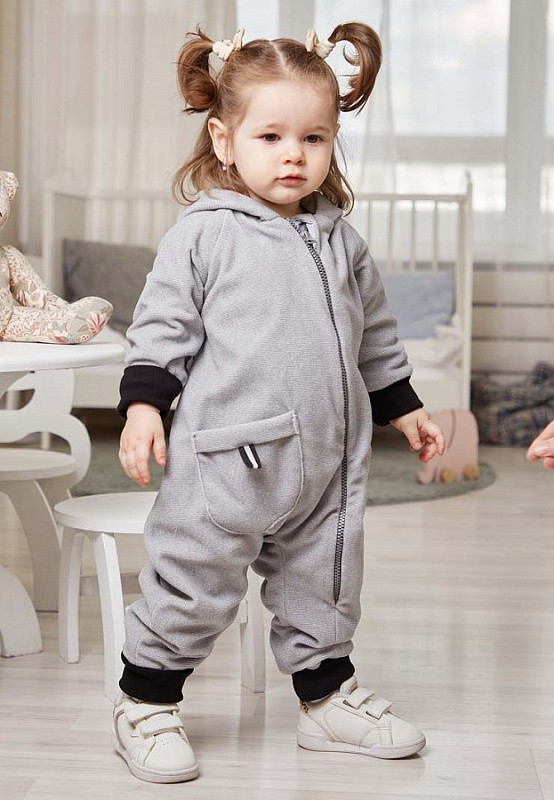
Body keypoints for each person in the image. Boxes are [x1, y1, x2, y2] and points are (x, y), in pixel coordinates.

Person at [113, 23, 445, 784]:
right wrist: (143, 408)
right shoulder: (203, 236)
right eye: (271, 136)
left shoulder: (341, 242)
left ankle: (325, 700)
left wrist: (405, 406)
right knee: (194, 580)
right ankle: (145, 702)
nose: (294, 154)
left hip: (327, 461)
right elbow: (161, 328)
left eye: (314, 138)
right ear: (224, 140)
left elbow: (375, 336)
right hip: (228, 461)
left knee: (326, 582)